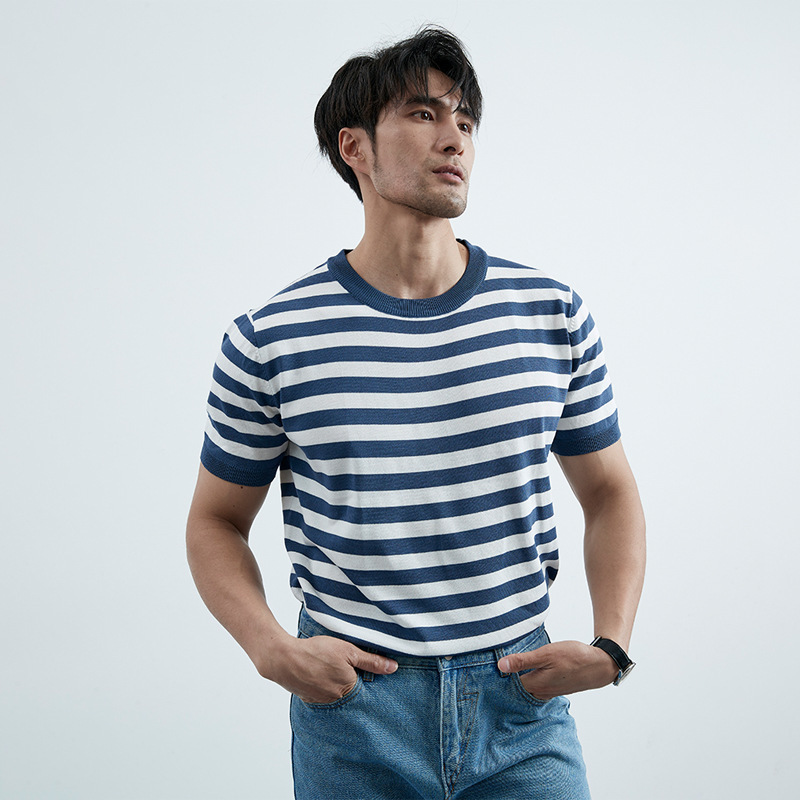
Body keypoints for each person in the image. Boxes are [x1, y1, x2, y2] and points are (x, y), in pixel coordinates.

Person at [186, 26, 645, 800]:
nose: (454, 138)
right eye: (423, 114)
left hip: (519, 703)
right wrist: (268, 647)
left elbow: (610, 492)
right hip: (357, 709)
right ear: (355, 148)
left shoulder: (551, 314)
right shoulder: (273, 338)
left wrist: (613, 646)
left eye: (465, 120)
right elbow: (214, 522)